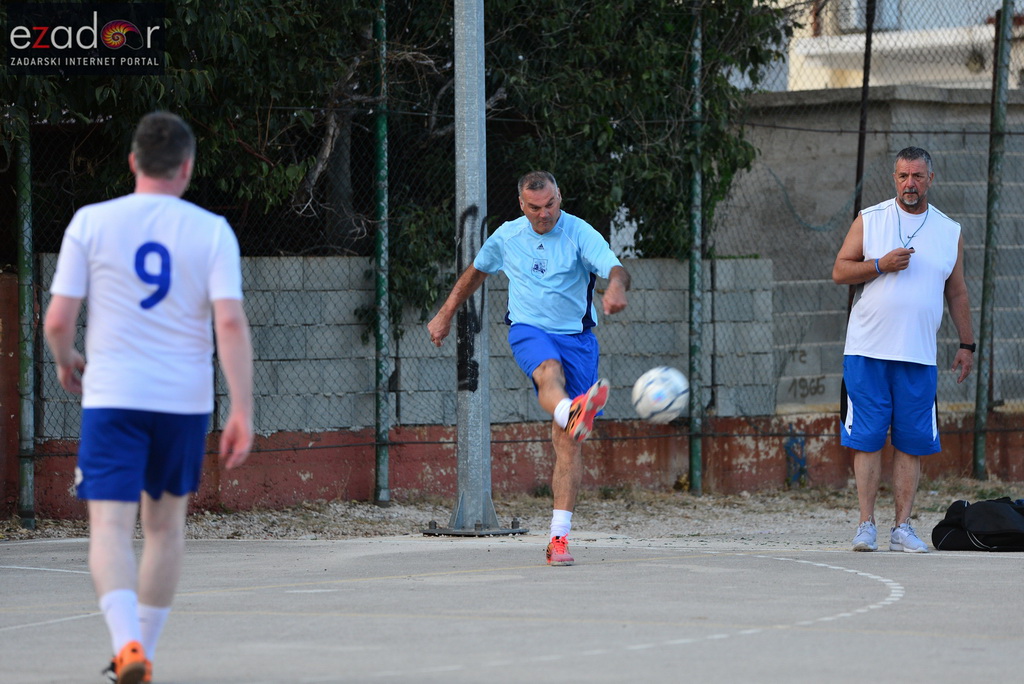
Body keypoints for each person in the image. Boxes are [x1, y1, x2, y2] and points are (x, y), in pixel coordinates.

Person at [43, 111, 254, 683]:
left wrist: (67, 362)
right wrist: (242, 407)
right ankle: (146, 652)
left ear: (133, 162)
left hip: (112, 397)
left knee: (109, 528)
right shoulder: (211, 230)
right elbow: (229, 325)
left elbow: (59, 318)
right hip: (182, 402)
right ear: (187, 167)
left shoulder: (91, 222)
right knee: (165, 529)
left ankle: (125, 642)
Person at [427, 171, 629, 566]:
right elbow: (476, 272)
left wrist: (617, 288)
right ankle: (570, 411)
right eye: (534, 207)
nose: (544, 214)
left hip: (578, 338)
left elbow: (615, 268)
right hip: (529, 329)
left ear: (560, 197)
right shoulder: (507, 236)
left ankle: (558, 540)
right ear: (522, 205)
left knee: (568, 443)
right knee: (547, 371)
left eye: (550, 204)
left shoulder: (578, 232)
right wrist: (445, 313)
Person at [832, 146, 974, 553]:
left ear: (931, 178)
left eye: (916, 176)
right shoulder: (871, 219)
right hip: (866, 350)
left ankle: (902, 528)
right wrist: (879, 265)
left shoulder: (949, 230)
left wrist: (967, 344)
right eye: (902, 177)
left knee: (912, 442)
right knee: (868, 439)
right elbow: (840, 270)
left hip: (918, 355)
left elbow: (958, 291)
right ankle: (865, 526)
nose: (909, 184)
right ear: (894, 179)